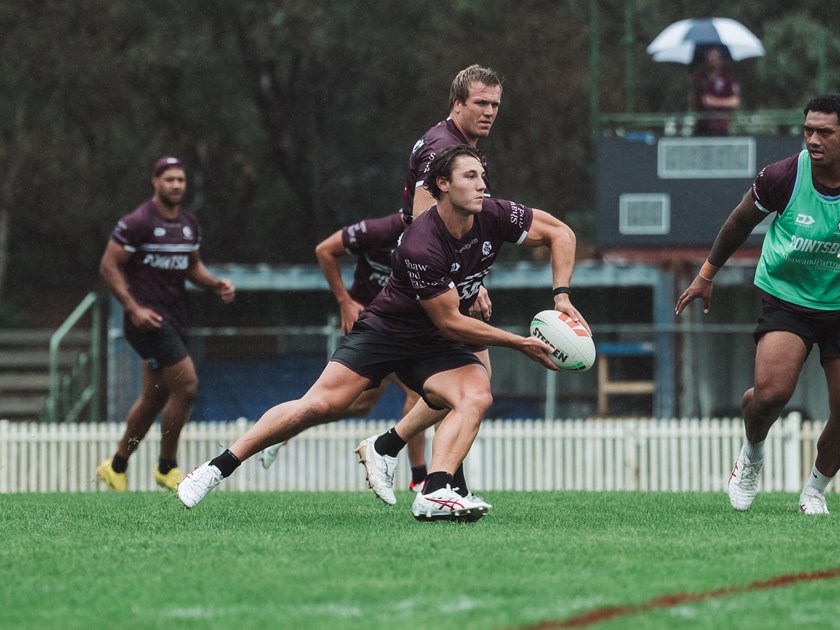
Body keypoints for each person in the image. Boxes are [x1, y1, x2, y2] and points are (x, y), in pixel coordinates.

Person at [178, 145, 587, 521]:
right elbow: (451, 322)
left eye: (483, 176)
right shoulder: (421, 244)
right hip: (387, 332)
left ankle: (436, 489)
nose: (482, 184)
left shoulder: (494, 214)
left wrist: (562, 296)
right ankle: (215, 468)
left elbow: (560, 233)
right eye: (470, 176)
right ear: (442, 185)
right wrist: (519, 342)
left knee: (476, 394)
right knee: (318, 405)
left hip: (432, 343)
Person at [675, 93, 840, 515]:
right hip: (788, 298)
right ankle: (751, 455)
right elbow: (739, 222)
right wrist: (705, 276)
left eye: (825, 132)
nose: (813, 140)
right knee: (771, 395)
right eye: (808, 131)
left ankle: (814, 491)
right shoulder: (783, 176)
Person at [259, 212, 429, 491]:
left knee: (360, 405)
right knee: (420, 392)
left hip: (401, 332)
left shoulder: (436, 237)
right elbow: (324, 250)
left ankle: (285, 432)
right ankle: (420, 478)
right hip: (370, 332)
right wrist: (344, 301)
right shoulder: (379, 231)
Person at [96, 156, 235, 492]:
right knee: (186, 386)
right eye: (169, 179)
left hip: (175, 319)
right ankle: (167, 466)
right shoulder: (138, 221)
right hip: (148, 322)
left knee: (154, 398)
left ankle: (116, 465)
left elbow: (192, 268)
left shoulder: (189, 223)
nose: (176, 185)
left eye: (180, 180)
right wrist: (132, 307)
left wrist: (214, 283)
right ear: (154, 182)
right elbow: (108, 266)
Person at [689, 47, 741, 136]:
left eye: (715, 57)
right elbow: (692, 100)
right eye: (709, 57)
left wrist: (714, 102)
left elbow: (735, 101)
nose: (712, 60)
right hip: (701, 125)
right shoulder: (700, 78)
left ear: (720, 60)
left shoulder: (728, 78)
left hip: (720, 126)